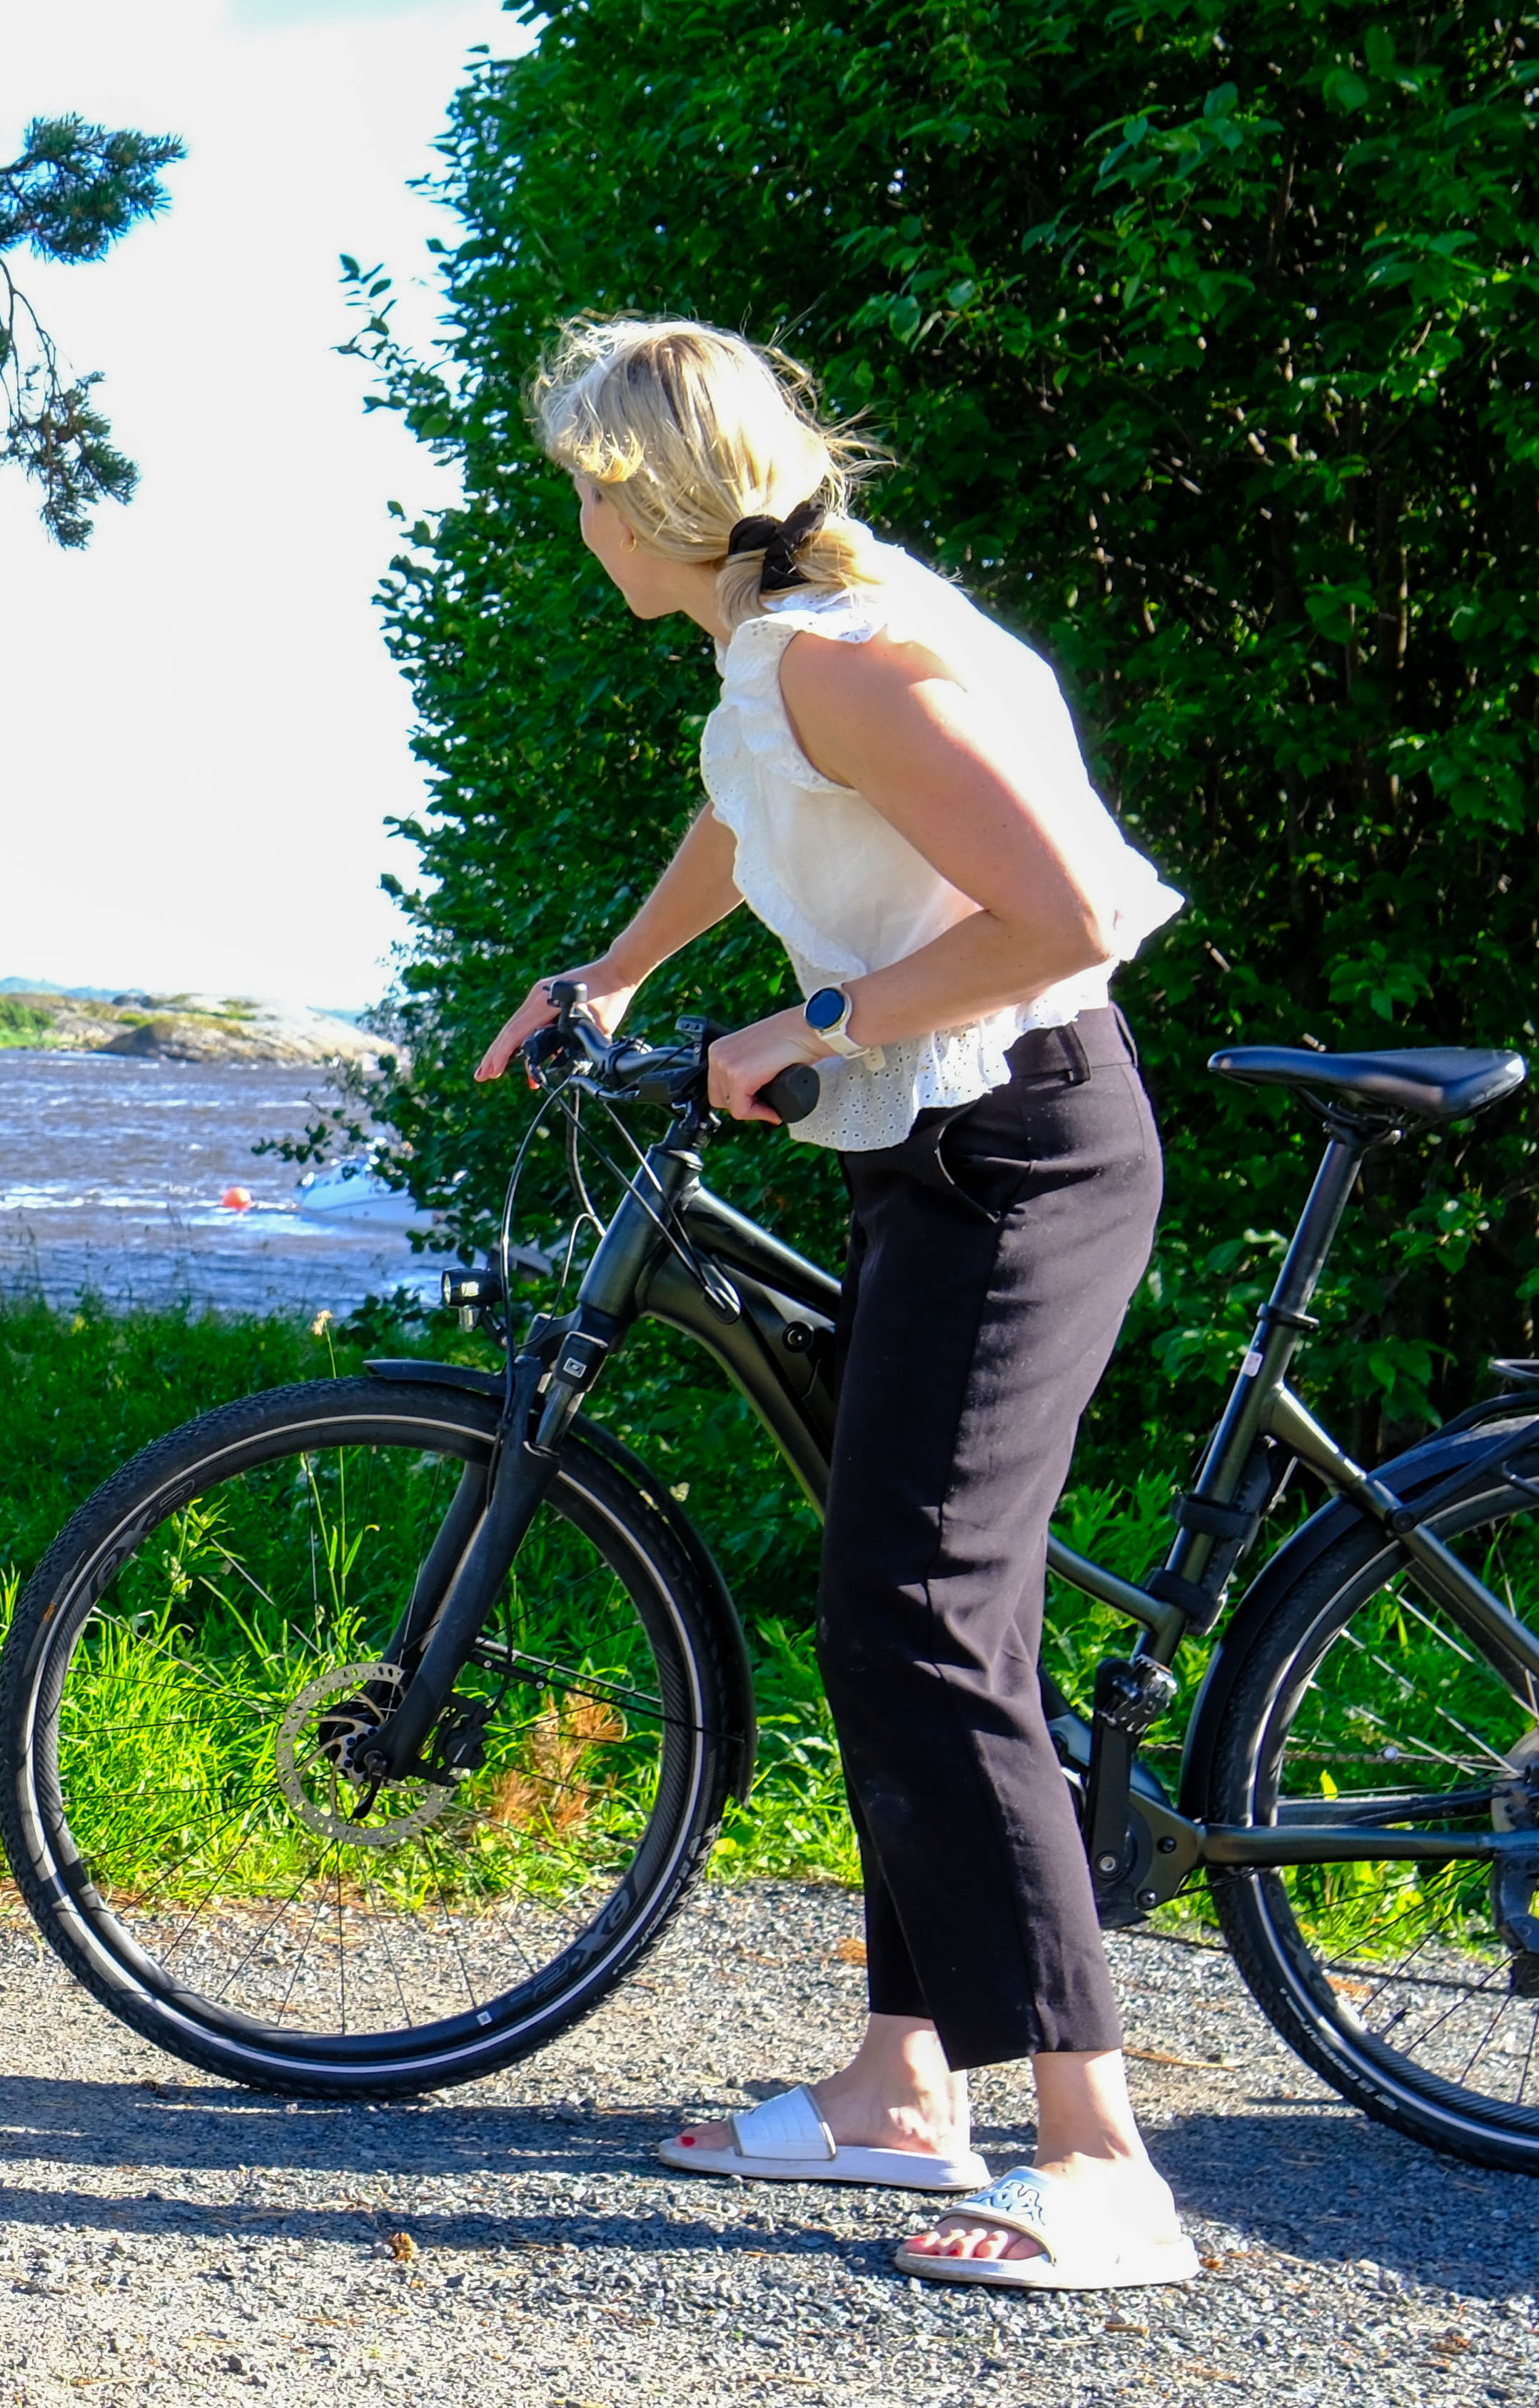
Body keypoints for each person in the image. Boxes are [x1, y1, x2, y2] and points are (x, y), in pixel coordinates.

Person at [470, 318, 1198, 2294]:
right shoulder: (784, 651)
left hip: (1021, 1153)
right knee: (904, 1609)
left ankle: (1102, 2162)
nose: (575, 526)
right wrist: (616, 974)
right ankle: (899, 2086)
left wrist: (813, 1021)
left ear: (645, 500)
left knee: (922, 1615)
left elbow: (1063, 919)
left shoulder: (847, 655)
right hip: (934, 1154)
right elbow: (756, 813)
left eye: (580, 492)